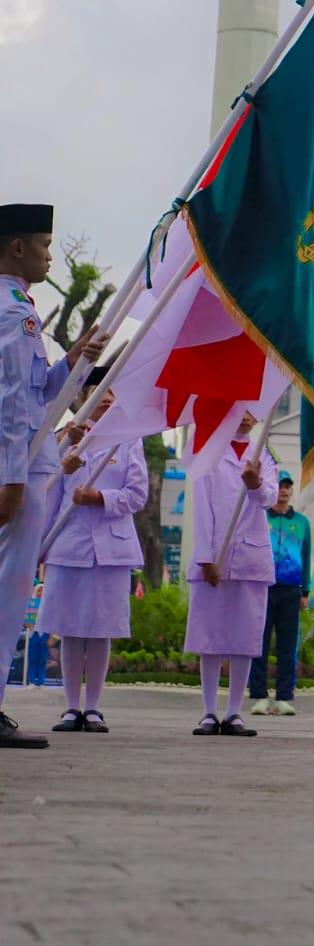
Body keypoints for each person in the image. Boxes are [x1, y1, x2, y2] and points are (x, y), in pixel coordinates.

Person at [0, 202, 106, 747]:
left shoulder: (20, 308)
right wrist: (13, 477)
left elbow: (41, 389)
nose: (48, 254)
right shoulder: (13, 311)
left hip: (20, 463)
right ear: (16, 247)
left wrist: (77, 360)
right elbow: (16, 401)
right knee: (6, 594)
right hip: (17, 468)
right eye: (43, 244)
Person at [38, 368, 147, 732]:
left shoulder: (130, 440)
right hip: (69, 545)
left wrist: (99, 498)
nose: (105, 398)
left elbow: (137, 494)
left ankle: (95, 707)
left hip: (112, 549)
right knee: (70, 628)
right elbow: (49, 496)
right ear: (83, 396)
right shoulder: (65, 439)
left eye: (112, 392)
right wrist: (40, 548)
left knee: (101, 630)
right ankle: (71, 707)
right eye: (99, 390)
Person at [186, 414, 276, 737]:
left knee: (244, 637)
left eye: (253, 410)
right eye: (241, 408)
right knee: (209, 637)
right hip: (213, 555)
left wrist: (256, 484)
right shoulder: (209, 449)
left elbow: (270, 497)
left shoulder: (263, 452)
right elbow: (201, 507)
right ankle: (209, 712)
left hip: (251, 558)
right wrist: (206, 558)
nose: (247, 416)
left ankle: (234, 712)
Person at [248, 473, 312, 717]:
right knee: (259, 643)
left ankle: (284, 696)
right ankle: (260, 696)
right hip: (263, 587)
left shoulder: (302, 522)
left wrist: (305, 590)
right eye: (280, 487)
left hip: (290, 590)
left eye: (288, 487)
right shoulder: (261, 517)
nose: (283, 491)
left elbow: (307, 556)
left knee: (287, 645)